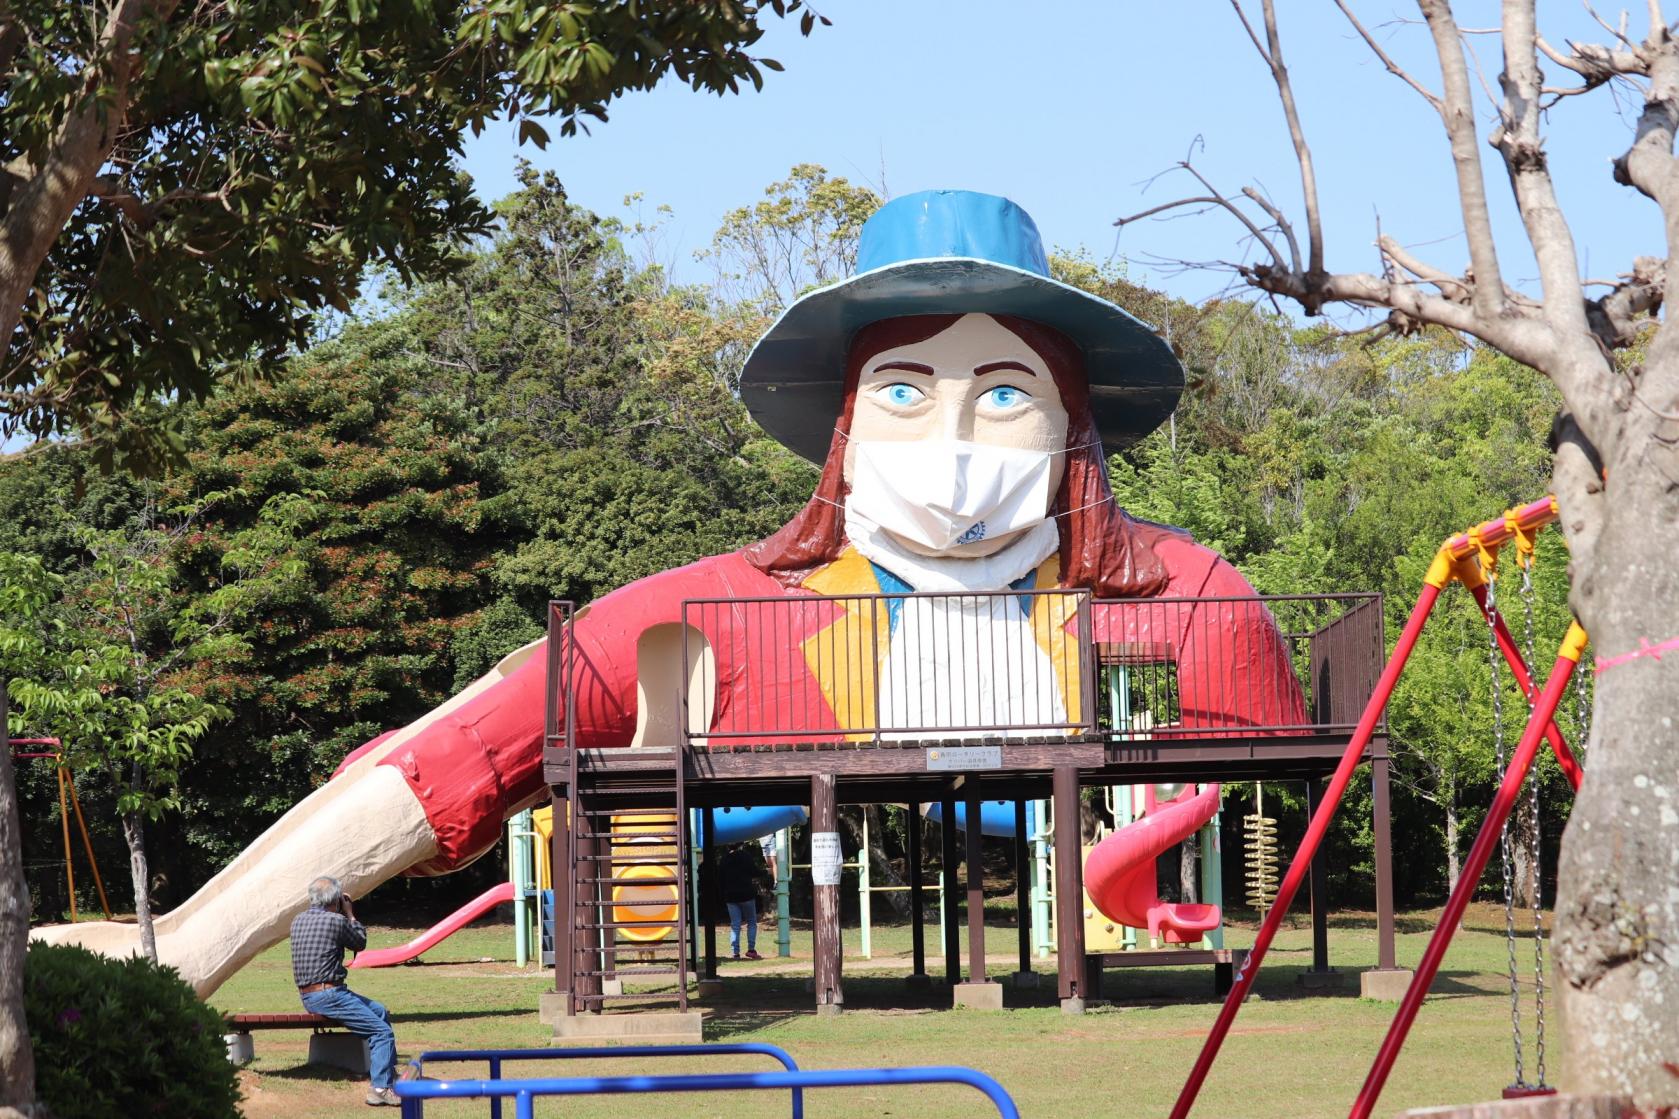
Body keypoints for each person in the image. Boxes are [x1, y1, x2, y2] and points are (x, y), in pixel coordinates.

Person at [35, 190, 1305, 995]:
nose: (954, 432)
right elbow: (454, 753)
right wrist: (196, 941)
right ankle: (178, 948)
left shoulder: (1190, 594)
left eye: (1005, 390)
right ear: (846, 430)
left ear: (1071, 422)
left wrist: (1125, 865)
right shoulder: (703, 607)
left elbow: (1260, 766)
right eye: (907, 389)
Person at [290, 876, 399, 1107]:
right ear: (336, 900)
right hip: (328, 995)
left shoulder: (297, 920)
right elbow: (359, 942)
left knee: (379, 1011)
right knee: (381, 1033)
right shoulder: (337, 921)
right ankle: (379, 1089)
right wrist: (350, 914)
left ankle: (388, 1074)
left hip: (309, 994)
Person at [718, 844, 770, 960]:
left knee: (735, 924)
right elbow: (754, 871)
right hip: (747, 894)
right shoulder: (746, 856)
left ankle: (735, 952)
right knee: (751, 921)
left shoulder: (724, 859)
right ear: (741, 845)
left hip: (730, 896)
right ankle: (751, 950)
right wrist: (766, 872)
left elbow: (720, 878)